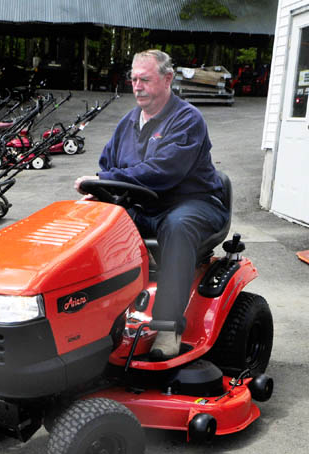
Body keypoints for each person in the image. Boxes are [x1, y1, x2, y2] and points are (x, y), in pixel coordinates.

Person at [75, 49, 229, 359]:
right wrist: (99, 192)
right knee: (91, 226)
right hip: (144, 204)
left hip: (192, 203)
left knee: (177, 226)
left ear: (167, 79)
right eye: (133, 79)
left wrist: (112, 178)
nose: (137, 86)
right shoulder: (127, 123)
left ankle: (168, 326)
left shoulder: (187, 119)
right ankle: (90, 318)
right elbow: (108, 167)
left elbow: (163, 172)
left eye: (145, 79)